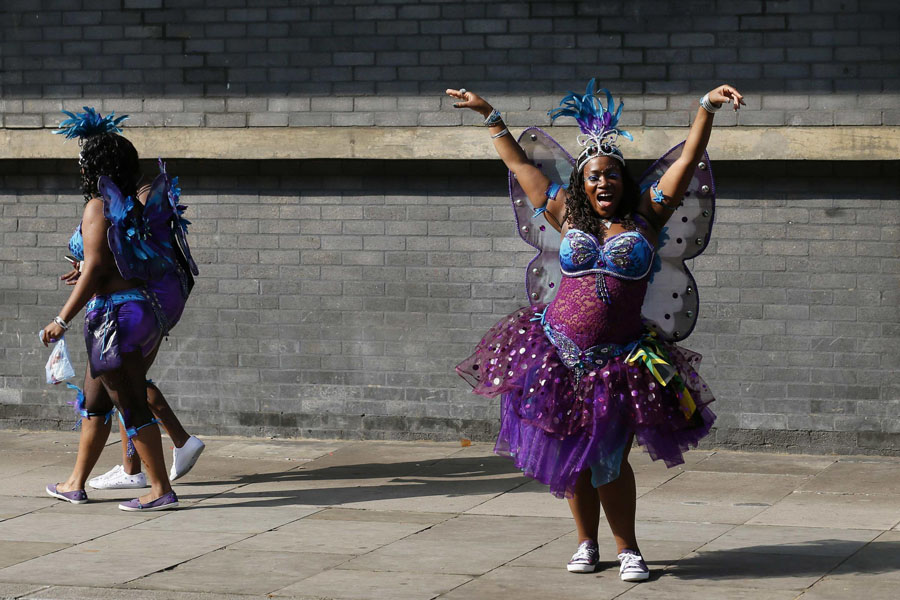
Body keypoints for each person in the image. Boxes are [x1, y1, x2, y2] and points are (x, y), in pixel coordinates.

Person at [450, 82, 744, 581]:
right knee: (573, 455)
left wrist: (705, 108)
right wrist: (489, 115)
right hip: (556, 353)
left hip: (619, 361)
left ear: (622, 181)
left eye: (610, 174)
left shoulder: (648, 217)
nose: (602, 182)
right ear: (581, 184)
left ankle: (628, 549)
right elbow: (520, 165)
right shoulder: (565, 214)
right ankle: (586, 543)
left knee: (609, 458)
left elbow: (688, 159)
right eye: (593, 176)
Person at [41, 108, 200, 511]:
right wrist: (87, 267)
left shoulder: (98, 206)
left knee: (131, 404)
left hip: (115, 319)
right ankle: (75, 483)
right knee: (95, 404)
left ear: (95, 166)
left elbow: (97, 266)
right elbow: (110, 260)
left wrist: (61, 319)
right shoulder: (129, 206)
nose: (79, 166)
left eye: (84, 159)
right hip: (132, 313)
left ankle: (160, 490)